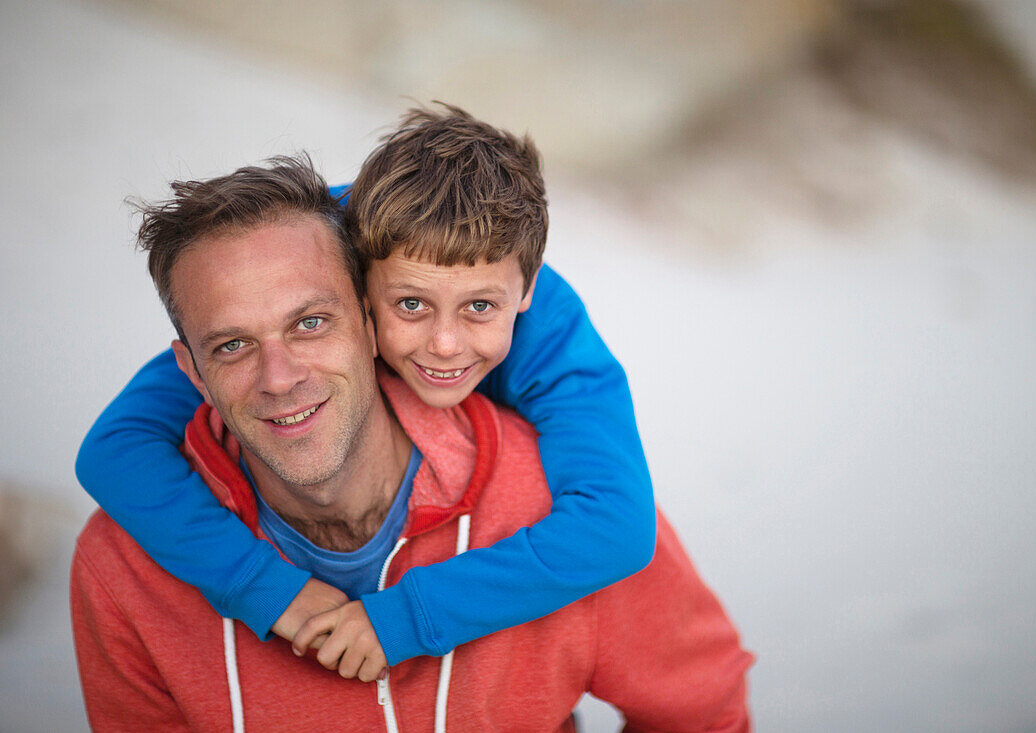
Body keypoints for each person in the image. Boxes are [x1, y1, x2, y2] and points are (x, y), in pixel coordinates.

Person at [70, 156, 753, 731]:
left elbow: (623, 539)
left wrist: (411, 614)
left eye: (310, 321)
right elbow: (110, 447)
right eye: (233, 343)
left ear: (363, 320)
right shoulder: (122, 564)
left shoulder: (550, 476)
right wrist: (261, 586)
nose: (277, 376)